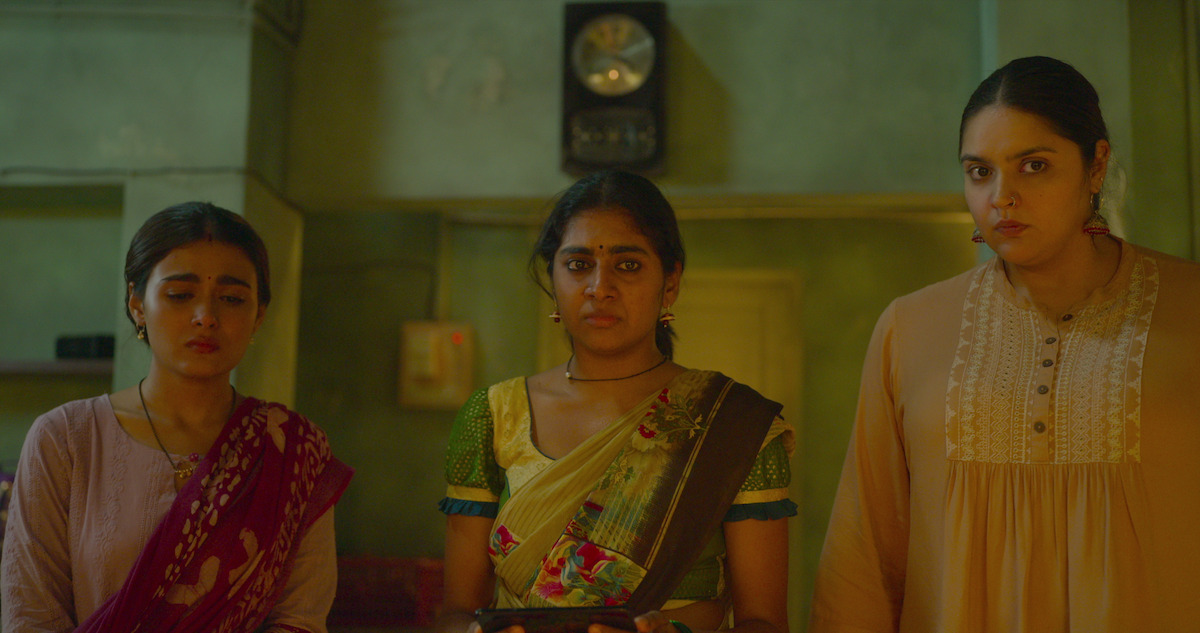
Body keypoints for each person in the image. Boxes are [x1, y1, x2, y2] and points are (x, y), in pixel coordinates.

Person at [808, 55, 1200, 632]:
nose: (1002, 196)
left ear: (1097, 165)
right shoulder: (909, 328)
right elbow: (865, 554)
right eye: (979, 172)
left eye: (1034, 166)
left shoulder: (1190, 307)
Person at [437, 170, 796, 633]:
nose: (599, 288)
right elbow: (455, 613)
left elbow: (765, 622)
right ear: (552, 279)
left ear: (670, 284)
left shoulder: (732, 424)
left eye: (627, 265)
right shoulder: (494, 416)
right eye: (578, 264)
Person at [1, 202, 354, 633]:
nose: (206, 316)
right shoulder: (66, 440)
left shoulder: (291, 452)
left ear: (258, 314)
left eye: (231, 298)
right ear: (137, 304)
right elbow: (30, 617)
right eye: (180, 295)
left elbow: (299, 621)